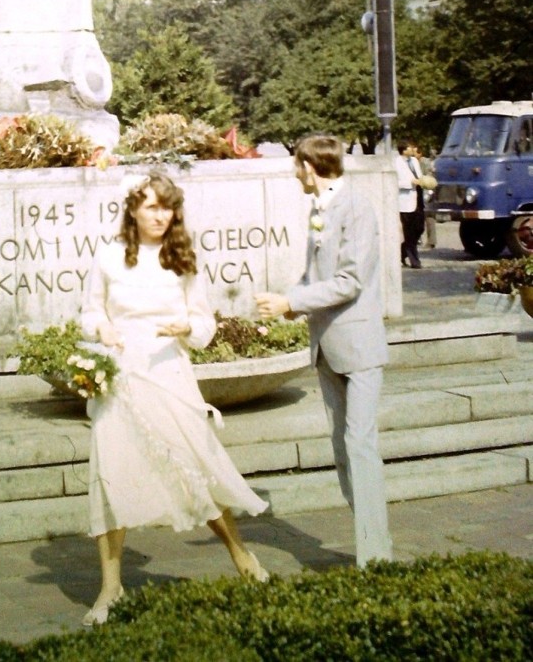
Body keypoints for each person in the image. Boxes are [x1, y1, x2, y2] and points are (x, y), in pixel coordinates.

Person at [80, 171, 269, 627]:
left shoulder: (181, 259)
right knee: (112, 477)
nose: (159, 215)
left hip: (169, 374)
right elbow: (89, 312)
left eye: (167, 207)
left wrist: (188, 328)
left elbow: (204, 326)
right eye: (150, 206)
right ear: (132, 210)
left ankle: (241, 556)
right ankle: (110, 587)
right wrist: (101, 329)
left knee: (193, 470)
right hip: (121, 377)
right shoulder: (108, 257)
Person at [256, 134, 392, 568]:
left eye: (297, 166)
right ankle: (371, 545)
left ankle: (376, 557)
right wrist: (286, 303)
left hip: (359, 346)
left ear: (310, 167)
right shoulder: (321, 208)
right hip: (328, 349)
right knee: (344, 450)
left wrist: (293, 302)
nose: (296, 174)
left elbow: (350, 281)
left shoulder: (356, 207)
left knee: (360, 446)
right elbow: (316, 273)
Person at [396, 140, 425, 268]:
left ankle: (401, 252)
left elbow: (419, 176)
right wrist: (410, 183)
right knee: (409, 231)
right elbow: (394, 182)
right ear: (403, 150)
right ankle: (415, 260)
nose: (412, 149)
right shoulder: (396, 163)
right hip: (405, 200)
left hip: (417, 197)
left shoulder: (414, 161)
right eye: (409, 147)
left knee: (419, 228)